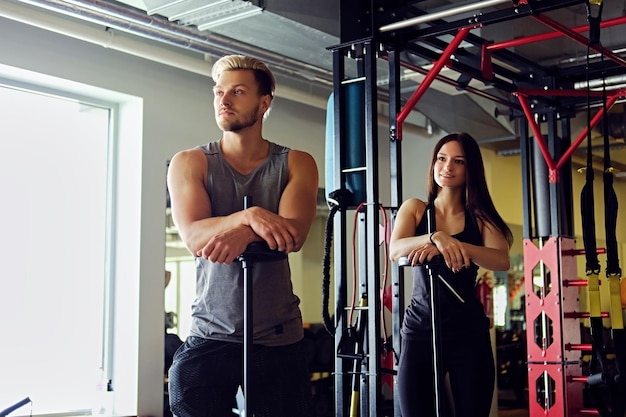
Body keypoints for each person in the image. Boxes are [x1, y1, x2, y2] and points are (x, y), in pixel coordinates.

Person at [166, 54, 318, 417]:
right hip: (211, 330)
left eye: (237, 91)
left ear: (264, 103)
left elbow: (292, 235)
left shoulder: (297, 162)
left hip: (279, 334)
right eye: (219, 91)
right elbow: (193, 236)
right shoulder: (190, 162)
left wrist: (237, 233)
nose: (224, 100)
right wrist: (252, 216)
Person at [389, 132, 513, 417]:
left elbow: (501, 259)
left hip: (468, 332)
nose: (447, 167)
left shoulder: (479, 217)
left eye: (458, 161)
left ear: (470, 169)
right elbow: (395, 250)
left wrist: (457, 245)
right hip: (421, 330)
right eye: (441, 159)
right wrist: (435, 237)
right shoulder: (416, 209)